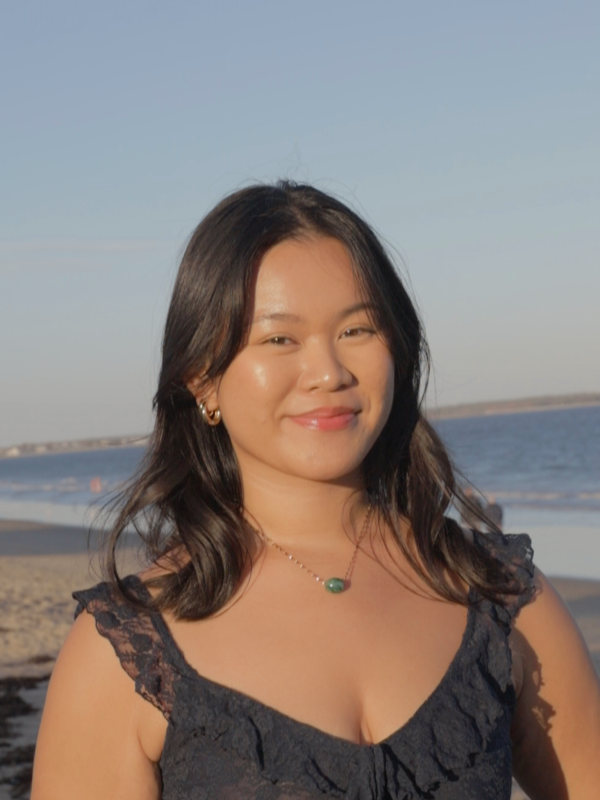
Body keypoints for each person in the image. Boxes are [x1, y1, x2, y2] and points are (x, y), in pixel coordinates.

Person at [32, 182, 600, 799]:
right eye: (279, 339)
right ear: (202, 379)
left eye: (357, 329)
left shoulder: (500, 595)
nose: (329, 373)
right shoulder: (127, 653)